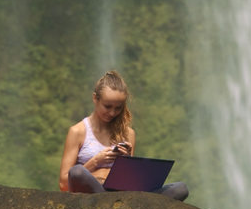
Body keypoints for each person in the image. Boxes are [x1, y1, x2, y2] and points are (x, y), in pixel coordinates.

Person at [59, 70, 189, 201]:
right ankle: (117, 206)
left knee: (180, 188)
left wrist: (126, 162)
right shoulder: (78, 131)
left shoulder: (128, 133)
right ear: (95, 98)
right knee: (77, 172)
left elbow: (129, 182)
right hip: (94, 193)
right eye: (107, 106)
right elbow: (64, 184)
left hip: (123, 194)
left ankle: (121, 206)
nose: (112, 113)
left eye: (118, 108)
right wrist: (95, 162)